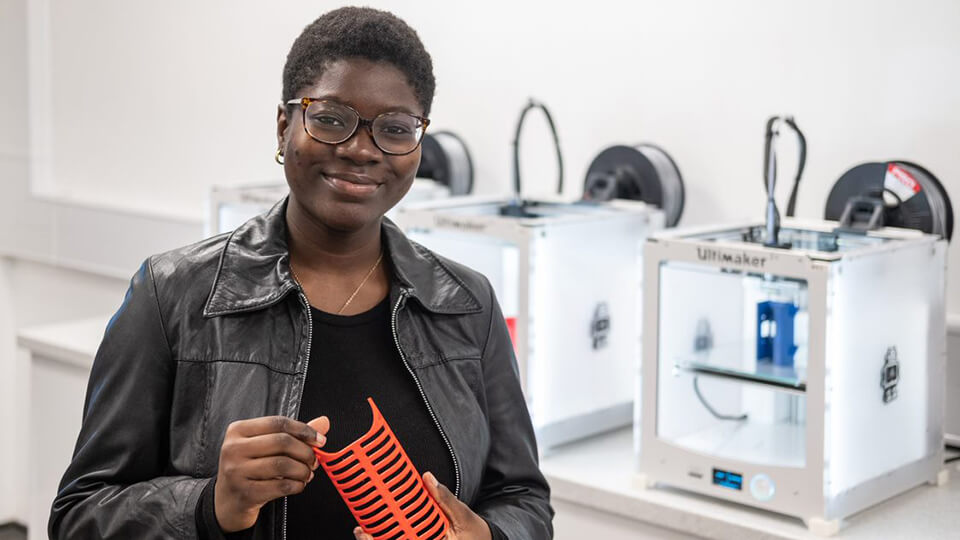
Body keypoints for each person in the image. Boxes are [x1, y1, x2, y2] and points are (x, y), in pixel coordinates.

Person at [49, 7, 553, 540]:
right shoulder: (173, 294)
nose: (361, 150)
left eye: (395, 129)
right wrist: (209, 504)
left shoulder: (466, 304)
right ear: (284, 127)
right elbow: (79, 515)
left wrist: (489, 536)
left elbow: (522, 498)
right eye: (331, 119)